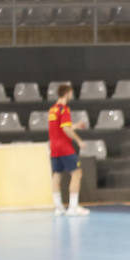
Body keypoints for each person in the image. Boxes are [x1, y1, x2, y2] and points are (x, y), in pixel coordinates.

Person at [48, 83, 89, 217]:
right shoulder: (64, 109)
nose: (71, 95)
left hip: (54, 147)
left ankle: (58, 208)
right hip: (65, 147)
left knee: (57, 175)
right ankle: (73, 207)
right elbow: (66, 129)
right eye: (71, 93)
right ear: (67, 93)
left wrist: (76, 125)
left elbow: (62, 126)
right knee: (76, 173)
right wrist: (79, 140)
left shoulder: (52, 110)